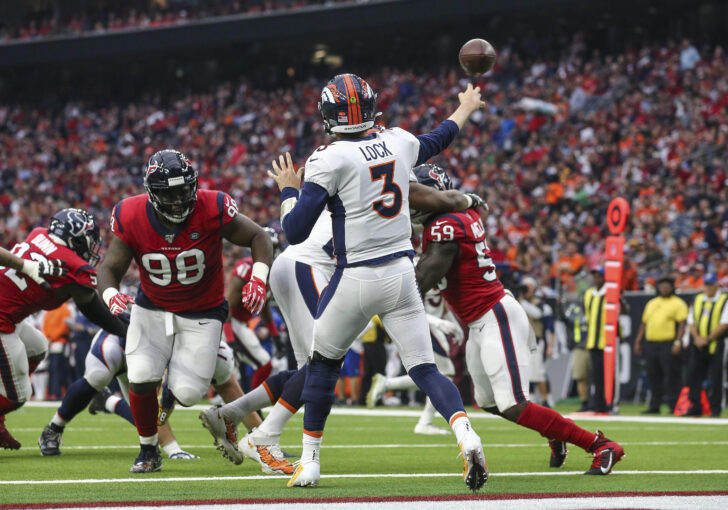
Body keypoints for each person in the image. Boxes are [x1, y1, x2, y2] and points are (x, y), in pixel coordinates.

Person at [200, 148, 486, 474]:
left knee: (307, 368)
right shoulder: (394, 217)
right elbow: (396, 289)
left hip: (298, 267)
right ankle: (263, 436)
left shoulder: (368, 191)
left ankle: (231, 413)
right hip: (306, 268)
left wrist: (292, 190)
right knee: (321, 364)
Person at [267, 74, 488, 490]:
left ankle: (310, 461)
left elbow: (295, 232)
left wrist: (288, 191)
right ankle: (465, 432)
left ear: (328, 115)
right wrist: (467, 106)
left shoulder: (327, 159)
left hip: (355, 276)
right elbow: (440, 137)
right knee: (425, 369)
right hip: (402, 273)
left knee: (322, 366)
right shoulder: (398, 141)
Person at [413, 166, 624, 476]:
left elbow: (423, 278)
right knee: (486, 401)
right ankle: (554, 430)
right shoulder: (449, 217)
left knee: (513, 402)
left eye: (417, 194)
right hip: (479, 321)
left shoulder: (446, 225)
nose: (413, 202)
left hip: (495, 315)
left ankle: (600, 445)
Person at [96, 149, 273, 473]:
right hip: (152, 308)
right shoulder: (131, 214)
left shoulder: (213, 206)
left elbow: (259, 236)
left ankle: (194, 384)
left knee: (190, 394)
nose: (178, 200)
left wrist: (259, 279)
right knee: (140, 376)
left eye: (183, 191)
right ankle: (148, 450)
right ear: (152, 194)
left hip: (202, 312)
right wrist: (110, 295)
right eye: (169, 194)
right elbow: (109, 267)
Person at [0, 209, 128, 451]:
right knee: (17, 395)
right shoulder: (74, 266)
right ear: (75, 238)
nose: (92, 247)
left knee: (37, 347)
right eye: (89, 239)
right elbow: (91, 307)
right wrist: (123, 328)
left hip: (10, 317)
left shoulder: (38, 234)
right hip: (2, 320)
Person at [38, 325, 262, 457]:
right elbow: (157, 410)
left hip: (153, 348)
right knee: (100, 379)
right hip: (120, 341)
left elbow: (232, 392)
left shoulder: (217, 354)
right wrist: (174, 450)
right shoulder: (170, 353)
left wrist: (262, 437)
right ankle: (53, 428)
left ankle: (108, 401)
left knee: (146, 419)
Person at [366, 286, 464, 436]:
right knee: (444, 374)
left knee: (434, 374)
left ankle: (388, 384)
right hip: (424, 326)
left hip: (434, 326)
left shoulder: (439, 268)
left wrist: (453, 324)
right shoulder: (418, 269)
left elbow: (441, 305)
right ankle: (425, 422)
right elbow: (410, 307)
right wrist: (438, 323)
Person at [634, 276, 689, 414]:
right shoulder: (652, 303)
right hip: (651, 343)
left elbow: (682, 324)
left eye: (667, 286)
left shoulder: (677, 303)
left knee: (671, 375)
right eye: (662, 285)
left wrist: (678, 342)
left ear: (672, 288)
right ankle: (654, 405)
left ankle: (673, 405)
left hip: (668, 343)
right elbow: (644, 324)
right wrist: (638, 341)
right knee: (653, 375)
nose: (664, 288)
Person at [227, 255, 281, 389]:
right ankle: (252, 406)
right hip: (230, 323)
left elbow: (263, 306)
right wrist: (230, 339)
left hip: (241, 324)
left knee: (233, 373)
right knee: (263, 364)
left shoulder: (272, 271)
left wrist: (275, 335)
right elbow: (226, 307)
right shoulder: (247, 269)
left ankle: (248, 406)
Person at [685, 273, 727, 417]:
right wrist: (697, 338)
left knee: (716, 377)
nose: (708, 288)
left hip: (717, 344)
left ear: (717, 285)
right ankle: (695, 407)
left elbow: (724, 323)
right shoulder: (697, 299)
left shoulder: (724, 300)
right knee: (693, 376)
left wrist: (707, 339)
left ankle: (716, 409)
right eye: (706, 284)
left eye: (711, 284)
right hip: (698, 345)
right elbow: (690, 320)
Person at [519, 276, 556, 408]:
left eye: (527, 288)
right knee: (526, 373)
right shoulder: (519, 303)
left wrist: (551, 346)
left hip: (536, 342)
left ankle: (546, 399)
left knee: (537, 373)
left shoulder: (540, 305)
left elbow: (538, 315)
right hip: (522, 342)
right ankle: (531, 398)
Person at [582, 267, 610, 413]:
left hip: (608, 342)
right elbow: (588, 318)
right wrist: (588, 339)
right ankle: (597, 404)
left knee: (609, 375)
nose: (596, 279)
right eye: (595, 276)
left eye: (600, 276)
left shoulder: (611, 293)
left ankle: (609, 403)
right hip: (593, 341)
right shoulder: (588, 294)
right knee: (596, 375)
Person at [43, 303, 74, 401]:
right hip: (51, 343)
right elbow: (45, 325)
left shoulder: (65, 309)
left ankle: (57, 392)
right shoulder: (50, 309)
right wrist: (47, 338)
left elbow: (64, 327)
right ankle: (53, 392)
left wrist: (51, 338)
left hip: (60, 342)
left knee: (58, 369)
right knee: (52, 369)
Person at [564, 301, 590, 412]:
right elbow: (564, 318)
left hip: (596, 347)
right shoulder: (574, 311)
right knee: (580, 377)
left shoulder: (595, 308)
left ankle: (598, 402)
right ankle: (585, 403)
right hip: (580, 347)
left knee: (597, 378)